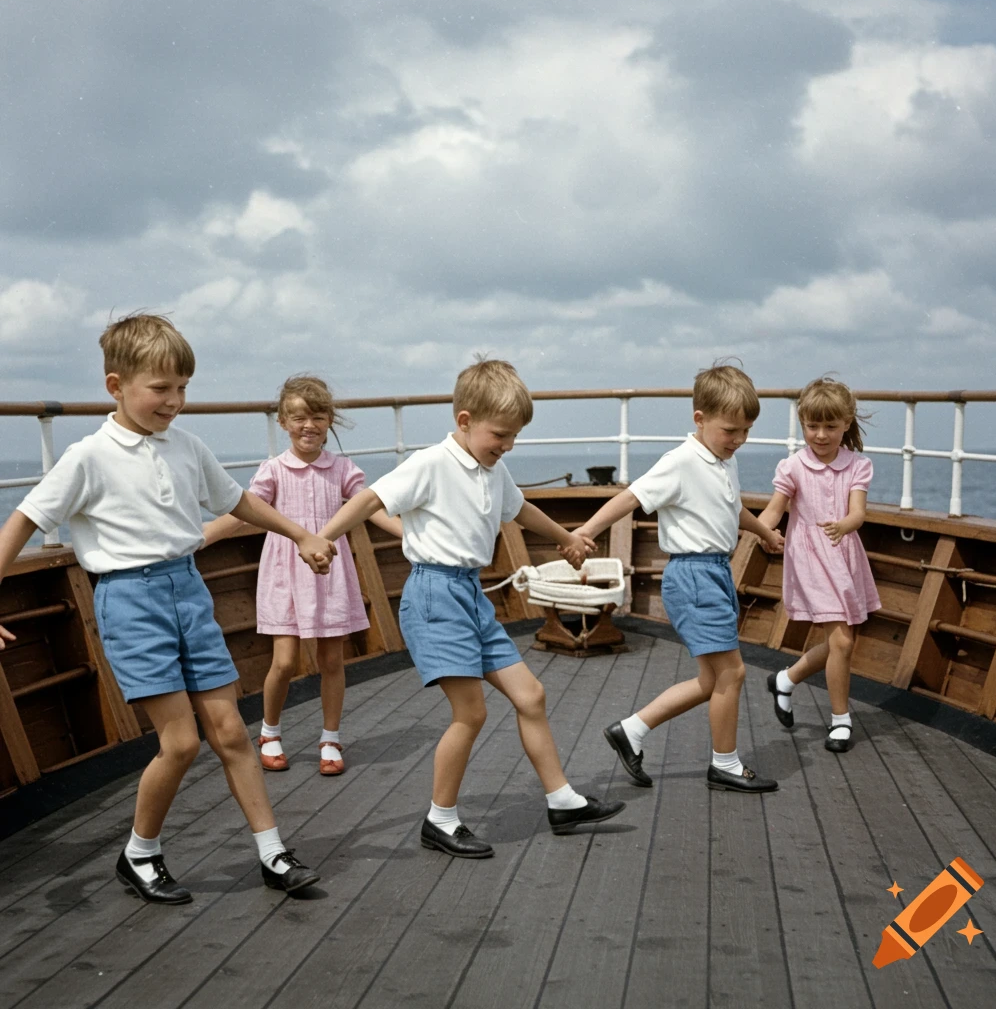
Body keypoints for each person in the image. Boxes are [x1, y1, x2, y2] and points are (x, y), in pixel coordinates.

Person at [0, 314, 331, 904]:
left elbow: (239, 502)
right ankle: (140, 853)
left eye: (182, 388)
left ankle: (272, 852)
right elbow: (24, 520)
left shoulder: (187, 446)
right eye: (160, 388)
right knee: (180, 743)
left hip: (188, 589)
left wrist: (299, 534)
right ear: (115, 385)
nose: (174, 401)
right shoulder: (88, 457)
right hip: (130, 599)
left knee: (231, 729)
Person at [315, 358, 626, 858]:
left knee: (531, 696)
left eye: (513, 437)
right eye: (499, 435)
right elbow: (370, 500)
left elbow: (520, 509)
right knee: (471, 712)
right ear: (464, 421)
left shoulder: (492, 469)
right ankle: (440, 820)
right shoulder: (431, 463)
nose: (506, 446)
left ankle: (563, 800)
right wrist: (323, 538)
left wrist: (567, 537)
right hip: (435, 596)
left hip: (470, 596)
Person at [571, 362, 785, 793]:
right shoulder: (682, 461)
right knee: (732, 674)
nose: (739, 440)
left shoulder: (723, 460)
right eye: (730, 430)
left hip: (715, 573)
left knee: (713, 679)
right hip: (693, 575)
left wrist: (763, 531)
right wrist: (585, 531)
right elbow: (632, 496)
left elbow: (730, 507)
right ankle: (724, 764)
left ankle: (631, 730)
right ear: (700, 420)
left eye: (746, 431)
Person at [203, 374, 402, 776]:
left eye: (317, 416)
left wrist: (412, 536)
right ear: (282, 422)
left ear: (330, 420)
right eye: (297, 418)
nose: (307, 425)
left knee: (332, 659)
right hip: (284, 573)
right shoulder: (273, 470)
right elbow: (245, 511)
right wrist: (201, 537)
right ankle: (270, 731)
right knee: (284, 661)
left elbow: (371, 508)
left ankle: (330, 737)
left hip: (330, 571)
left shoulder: (343, 469)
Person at [758, 377, 880, 753]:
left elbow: (857, 513)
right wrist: (761, 531)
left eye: (830, 426)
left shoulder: (857, 465)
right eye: (813, 426)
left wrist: (844, 524)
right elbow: (775, 509)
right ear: (802, 424)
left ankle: (786, 679)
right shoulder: (793, 466)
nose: (821, 435)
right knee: (842, 639)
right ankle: (841, 721)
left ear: (846, 422)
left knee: (842, 641)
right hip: (810, 559)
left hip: (843, 554)